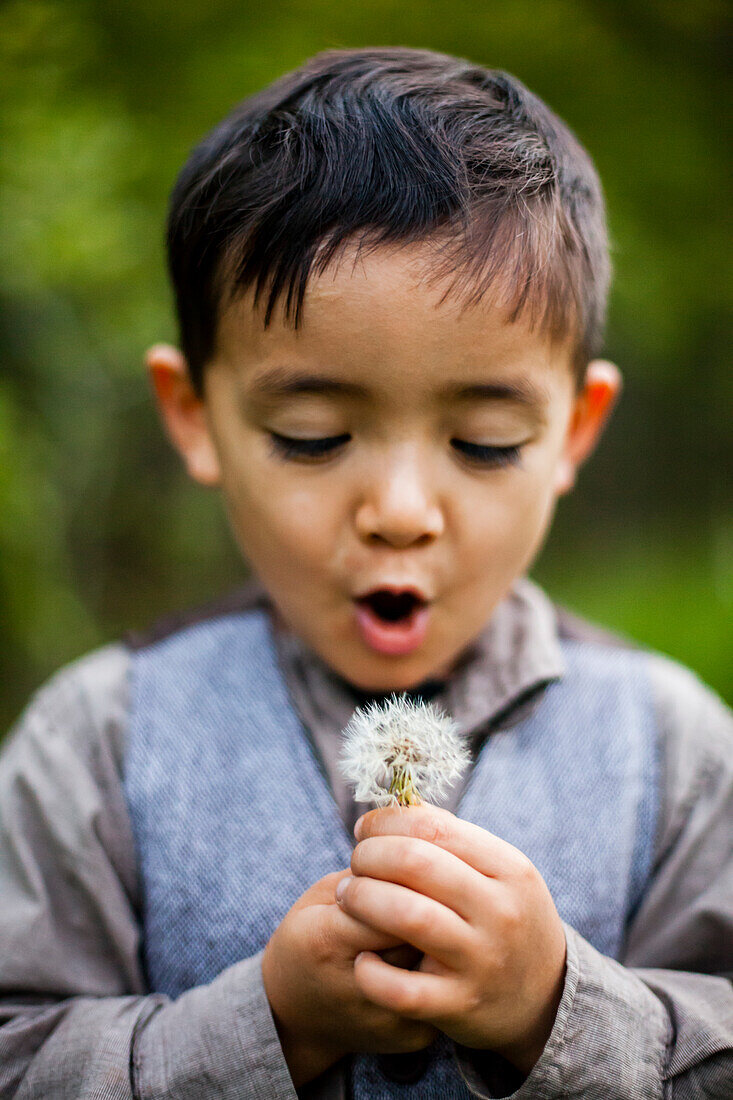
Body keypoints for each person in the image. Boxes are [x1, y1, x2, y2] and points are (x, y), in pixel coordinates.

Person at [0, 47, 730, 1100]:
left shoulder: (678, 755)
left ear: (574, 430)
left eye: (482, 441)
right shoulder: (96, 747)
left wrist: (560, 1011)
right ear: (194, 416)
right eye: (310, 434)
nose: (398, 511)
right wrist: (267, 1027)